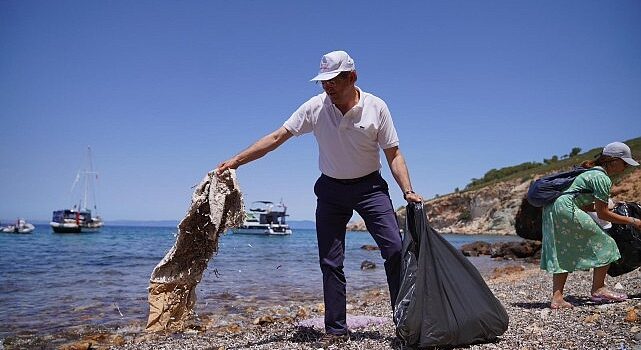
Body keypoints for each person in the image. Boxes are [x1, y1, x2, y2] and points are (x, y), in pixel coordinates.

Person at [216, 50, 422, 343]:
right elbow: (276, 138)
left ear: (352, 77)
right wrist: (236, 161)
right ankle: (336, 331)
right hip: (331, 191)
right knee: (330, 261)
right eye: (323, 81)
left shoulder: (377, 107)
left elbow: (394, 153)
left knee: (395, 251)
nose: (328, 87)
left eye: (334, 80)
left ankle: (407, 325)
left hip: (370, 188)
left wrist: (408, 190)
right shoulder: (315, 107)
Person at [540, 141, 641, 309]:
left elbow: (584, 204)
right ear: (613, 160)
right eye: (625, 163)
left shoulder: (590, 173)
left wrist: (605, 207)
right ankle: (599, 289)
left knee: (562, 250)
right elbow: (603, 214)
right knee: (607, 243)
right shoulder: (602, 177)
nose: (626, 167)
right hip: (565, 209)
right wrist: (634, 221)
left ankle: (557, 298)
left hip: (553, 209)